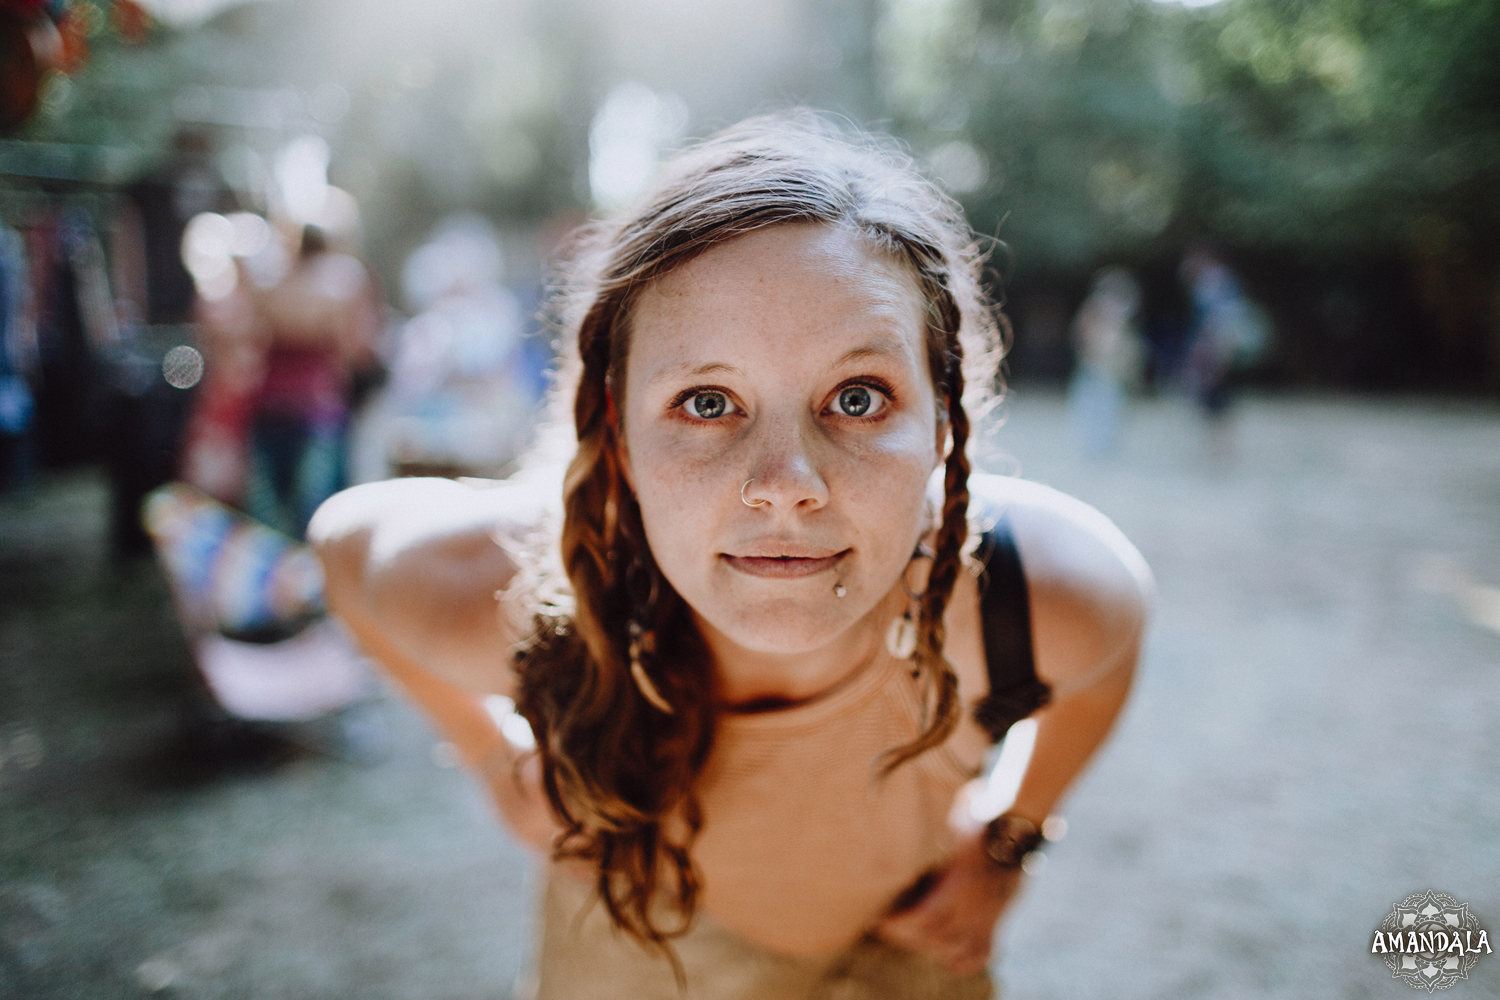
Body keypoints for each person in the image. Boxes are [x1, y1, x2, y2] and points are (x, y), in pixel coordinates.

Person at [310, 114, 1151, 999]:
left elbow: (1110, 652)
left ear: (943, 418)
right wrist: (491, 760)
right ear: (619, 434)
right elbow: (342, 543)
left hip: (908, 950)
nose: (786, 486)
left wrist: (1009, 841)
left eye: (857, 397)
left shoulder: (1026, 596)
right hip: (641, 943)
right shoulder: (525, 592)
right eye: (707, 402)